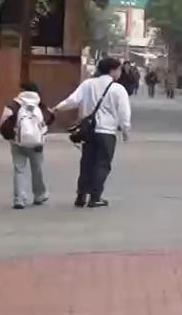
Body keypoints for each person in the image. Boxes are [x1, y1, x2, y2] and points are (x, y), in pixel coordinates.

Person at [56, 56, 132, 208]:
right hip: (107, 132)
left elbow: (72, 100)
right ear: (112, 71)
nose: (120, 73)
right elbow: (124, 111)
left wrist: (57, 108)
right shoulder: (118, 89)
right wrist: (125, 129)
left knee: (87, 163)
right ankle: (95, 197)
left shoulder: (88, 84)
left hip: (88, 131)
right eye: (119, 70)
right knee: (102, 164)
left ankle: (81, 196)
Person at [0, 81, 57, 209]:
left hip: (17, 142)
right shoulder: (40, 104)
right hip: (36, 143)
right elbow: (50, 117)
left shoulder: (14, 104)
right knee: (37, 169)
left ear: (23, 90)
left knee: (19, 169)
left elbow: (3, 122)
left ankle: (19, 199)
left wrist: (11, 137)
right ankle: (39, 195)